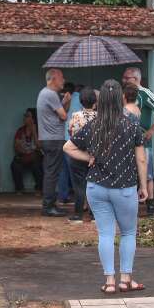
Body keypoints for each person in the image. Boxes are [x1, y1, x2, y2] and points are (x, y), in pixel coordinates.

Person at [64, 80, 147, 294]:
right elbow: (141, 159)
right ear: (121, 99)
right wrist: (144, 185)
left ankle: (109, 281)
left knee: (106, 234)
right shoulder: (132, 126)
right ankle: (125, 279)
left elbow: (68, 147)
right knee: (128, 233)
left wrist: (88, 156)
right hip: (125, 187)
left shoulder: (93, 126)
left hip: (97, 188)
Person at [122, 67, 154, 217]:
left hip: (142, 140)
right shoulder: (122, 94)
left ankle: (150, 205)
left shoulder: (144, 93)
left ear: (135, 79)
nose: (123, 80)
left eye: (126, 77)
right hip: (125, 140)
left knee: (147, 172)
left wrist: (152, 130)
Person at [37, 68, 71, 217]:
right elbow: (63, 116)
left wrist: (65, 102)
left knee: (52, 172)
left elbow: (61, 113)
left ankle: (50, 204)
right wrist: (65, 102)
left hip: (49, 139)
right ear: (53, 79)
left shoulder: (47, 94)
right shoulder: (50, 94)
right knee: (51, 174)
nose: (63, 81)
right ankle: (48, 206)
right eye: (61, 78)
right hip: (53, 139)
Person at [67, 87, 97, 222]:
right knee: (94, 185)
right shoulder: (99, 117)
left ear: (80, 101)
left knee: (79, 186)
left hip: (78, 154)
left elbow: (71, 133)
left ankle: (78, 215)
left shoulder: (75, 116)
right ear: (95, 101)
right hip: (95, 156)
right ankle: (94, 215)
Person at [11, 108, 43, 195]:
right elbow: (16, 146)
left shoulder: (40, 130)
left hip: (35, 156)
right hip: (24, 155)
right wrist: (24, 152)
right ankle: (19, 189)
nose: (24, 118)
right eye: (25, 116)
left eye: (27, 116)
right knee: (15, 165)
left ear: (33, 119)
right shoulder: (21, 130)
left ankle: (39, 189)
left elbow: (39, 146)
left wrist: (34, 131)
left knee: (38, 164)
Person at [57, 82, 80, 204]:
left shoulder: (61, 100)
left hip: (62, 138)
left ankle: (63, 195)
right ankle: (79, 197)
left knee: (63, 170)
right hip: (75, 139)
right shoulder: (80, 97)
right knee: (75, 170)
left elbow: (60, 117)